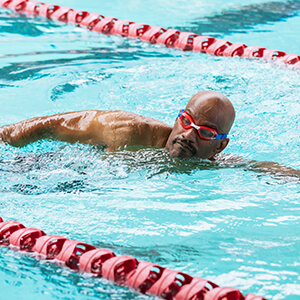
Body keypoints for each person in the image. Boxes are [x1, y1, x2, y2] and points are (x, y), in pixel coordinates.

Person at [0, 90, 299, 178]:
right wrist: (6, 136)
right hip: (47, 167)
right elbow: (51, 125)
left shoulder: (215, 163)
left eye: (205, 132)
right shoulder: (127, 130)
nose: (188, 134)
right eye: (185, 120)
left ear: (219, 147)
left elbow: (261, 167)